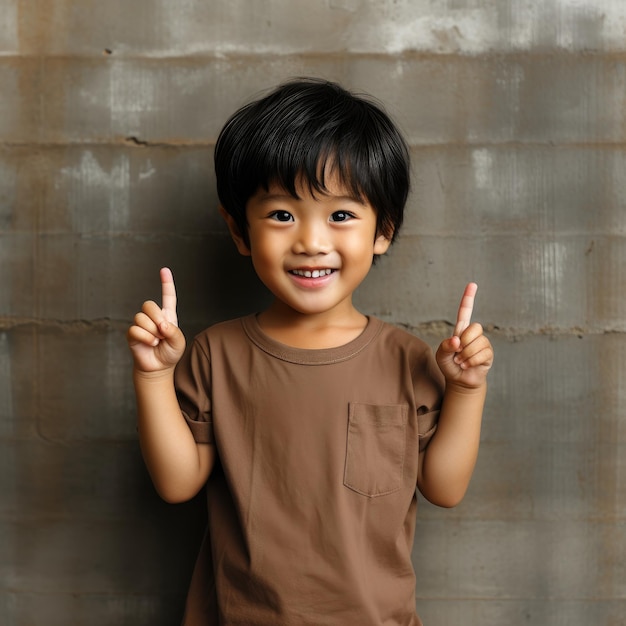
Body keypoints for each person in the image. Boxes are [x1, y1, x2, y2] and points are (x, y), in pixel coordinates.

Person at [127, 78, 494, 626]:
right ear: (240, 230)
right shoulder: (214, 355)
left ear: (383, 231)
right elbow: (178, 484)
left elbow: (443, 487)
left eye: (341, 216)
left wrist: (466, 390)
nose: (311, 241)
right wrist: (155, 378)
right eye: (282, 215)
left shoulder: (409, 359)